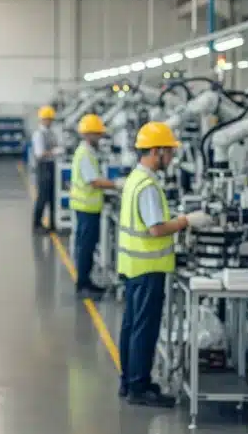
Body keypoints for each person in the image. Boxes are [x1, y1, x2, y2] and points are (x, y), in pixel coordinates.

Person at [117, 122, 212, 407]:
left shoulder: (135, 178)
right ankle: (139, 387)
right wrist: (186, 221)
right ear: (156, 151)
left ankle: (129, 381)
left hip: (133, 265)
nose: (171, 157)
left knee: (132, 326)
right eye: (169, 152)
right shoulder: (147, 185)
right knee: (144, 329)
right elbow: (156, 228)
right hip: (148, 268)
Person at [69, 114, 119, 298]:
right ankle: (83, 285)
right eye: (97, 134)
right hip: (86, 208)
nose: (100, 137)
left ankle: (86, 281)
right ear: (88, 134)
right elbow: (94, 181)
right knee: (86, 247)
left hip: (88, 207)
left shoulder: (88, 152)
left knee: (87, 246)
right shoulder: (85, 154)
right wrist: (117, 185)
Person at [31, 105, 60, 233]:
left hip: (52, 166)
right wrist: (55, 152)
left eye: (51, 119)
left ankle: (53, 224)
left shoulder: (51, 133)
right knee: (42, 197)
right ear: (42, 119)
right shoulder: (38, 134)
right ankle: (37, 224)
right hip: (43, 167)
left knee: (53, 196)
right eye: (47, 119)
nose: (49, 121)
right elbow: (39, 154)